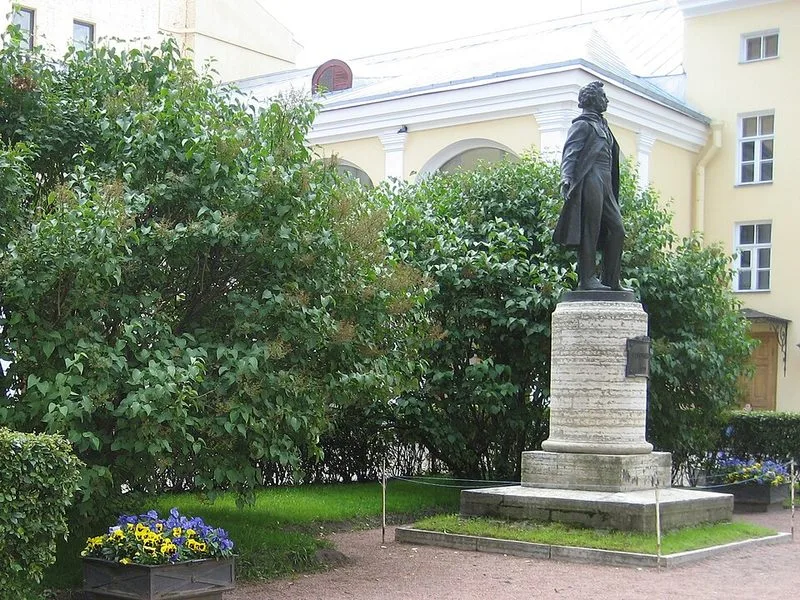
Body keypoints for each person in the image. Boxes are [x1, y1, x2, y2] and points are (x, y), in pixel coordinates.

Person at [553, 80, 629, 292]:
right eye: (603, 97)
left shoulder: (602, 125)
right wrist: (566, 178)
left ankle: (611, 280)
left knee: (617, 230)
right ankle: (587, 279)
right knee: (591, 229)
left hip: (606, 182)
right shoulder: (582, 125)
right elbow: (570, 153)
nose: (607, 100)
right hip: (590, 179)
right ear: (594, 100)